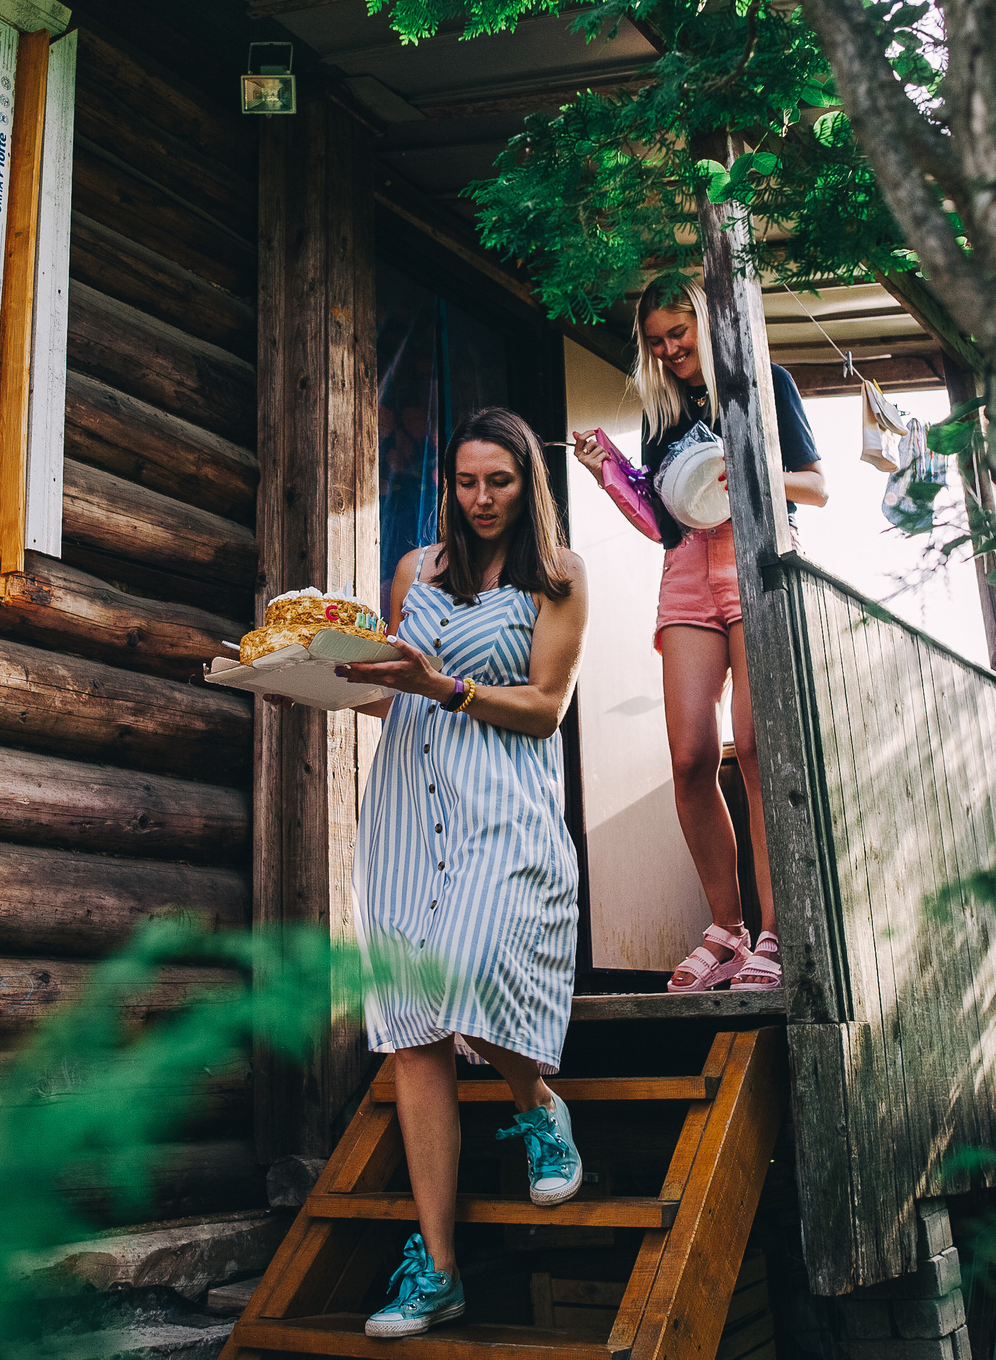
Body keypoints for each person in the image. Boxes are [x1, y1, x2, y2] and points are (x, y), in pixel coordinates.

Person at [329, 406, 590, 1337]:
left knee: (474, 964)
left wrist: (446, 686)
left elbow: (546, 707)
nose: (481, 499)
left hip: (501, 806)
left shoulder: (559, 578)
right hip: (408, 810)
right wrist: (308, 678)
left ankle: (536, 1103)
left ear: (529, 483)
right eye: (467, 481)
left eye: (500, 481)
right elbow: (395, 692)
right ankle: (438, 1271)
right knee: (413, 1029)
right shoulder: (415, 570)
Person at [570, 276, 824, 993]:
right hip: (686, 571)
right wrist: (607, 473)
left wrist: (736, 466)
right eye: (655, 343)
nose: (668, 349)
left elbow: (816, 485)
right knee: (688, 754)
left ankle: (775, 930)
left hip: (754, 559)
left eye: (677, 333)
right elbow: (662, 520)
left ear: (705, 323)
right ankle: (727, 931)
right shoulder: (667, 412)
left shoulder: (765, 383)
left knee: (753, 747)